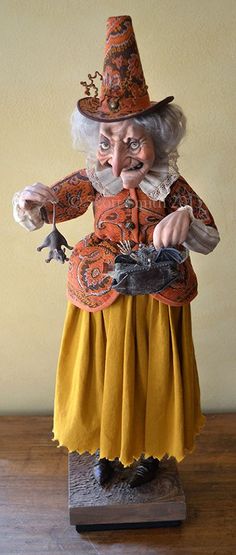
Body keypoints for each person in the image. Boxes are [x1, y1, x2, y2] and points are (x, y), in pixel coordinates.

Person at [13, 16, 220, 487]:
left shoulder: (172, 185)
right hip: (102, 294)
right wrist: (29, 203)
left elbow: (209, 235)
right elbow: (51, 208)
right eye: (108, 143)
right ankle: (107, 448)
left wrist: (185, 221)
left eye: (133, 143)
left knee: (153, 375)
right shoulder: (93, 179)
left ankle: (148, 451)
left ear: (158, 139)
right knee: (104, 373)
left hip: (157, 297)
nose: (118, 158)